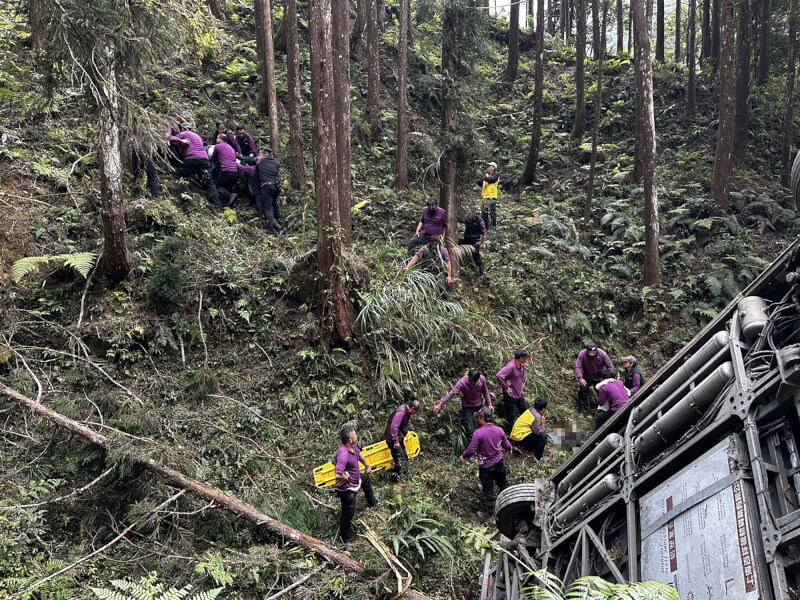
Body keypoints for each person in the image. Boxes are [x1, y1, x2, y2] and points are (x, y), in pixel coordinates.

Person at [460, 407, 513, 520]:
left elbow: (472, 449)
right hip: (499, 463)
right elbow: (506, 443)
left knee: (488, 490)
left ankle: (489, 515)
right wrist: (510, 449)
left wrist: (464, 456)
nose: (478, 419)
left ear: (482, 418)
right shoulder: (499, 430)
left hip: (486, 467)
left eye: (478, 417)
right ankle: (509, 505)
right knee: (503, 484)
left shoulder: (478, 433)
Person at [334, 425, 379, 553]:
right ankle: (346, 540)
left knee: (365, 479)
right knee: (348, 514)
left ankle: (372, 501)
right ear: (350, 439)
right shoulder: (343, 453)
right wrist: (346, 478)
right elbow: (338, 474)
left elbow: (359, 456)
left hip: (356, 481)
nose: (357, 436)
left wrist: (366, 465)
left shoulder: (353, 448)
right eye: (355, 435)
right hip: (347, 490)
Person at [169, 123, 221, 208]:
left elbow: (170, 139)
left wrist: (180, 140)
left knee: (180, 176)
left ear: (182, 129)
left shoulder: (183, 133)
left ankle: (187, 200)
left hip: (192, 159)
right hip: (204, 160)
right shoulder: (197, 136)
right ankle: (217, 205)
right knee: (208, 182)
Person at [434, 369, 493, 440]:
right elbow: (451, 394)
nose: (472, 383)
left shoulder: (482, 379)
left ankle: (486, 442)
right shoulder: (462, 382)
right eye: (471, 381)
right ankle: (472, 446)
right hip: (468, 407)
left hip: (478, 407)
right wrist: (440, 404)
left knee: (486, 423)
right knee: (469, 430)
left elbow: (485, 392)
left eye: (474, 382)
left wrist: (489, 404)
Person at [239, 148, 285, 235]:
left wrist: (239, 157)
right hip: (277, 186)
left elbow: (250, 160)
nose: (258, 155)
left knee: (267, 209)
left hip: (267, 186)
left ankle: (273, 230)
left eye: (259, 153)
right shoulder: (276, 163)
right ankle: (280, 219)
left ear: (263, 154)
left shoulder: (261, 160)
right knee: (274, 201)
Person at [384, 399, 422, 481]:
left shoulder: (406, 411)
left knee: (404, 456)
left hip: (398, 438)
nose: (415, 414)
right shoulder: (401, 412)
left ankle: (405, 476)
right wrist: (396, 441)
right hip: (393, 440)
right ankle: (397, 480)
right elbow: (394, 427)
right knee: (398, 459)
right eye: (415, 412)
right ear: (411, 408)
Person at [575, 342, 614, 419]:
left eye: (593, 353)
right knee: (583, 392)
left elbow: (610, 367)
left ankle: (606, 411)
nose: (591, 355)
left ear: (596, 350)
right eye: (590, 353)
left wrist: (609, 378)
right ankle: (581, 411)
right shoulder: (582, 354)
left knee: (604, 393)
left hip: (599, 377)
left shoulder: (602, 354)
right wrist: (580, 378)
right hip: (587, 376)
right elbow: (578, 367)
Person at [496, 349, 531, 434]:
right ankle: (510, 436)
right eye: (525, 358)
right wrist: (505, 388)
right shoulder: (511, 366)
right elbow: (499, 376)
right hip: (510, 395)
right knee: (510, 417)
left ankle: (526, 431)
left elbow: (521, 376)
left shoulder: (522, 365)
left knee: (525, 412)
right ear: (520, 358)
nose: (527, 360)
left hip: (518, 393)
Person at [459, 206, 488, 277]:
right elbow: (460, 220)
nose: (477, 215)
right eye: (476, 213)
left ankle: (482, 273)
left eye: (478, 213)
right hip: (466, 239)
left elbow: (484, 232)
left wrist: (483, 242)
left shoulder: (480, 221)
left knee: (476, 257)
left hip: (475, 242)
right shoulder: (468, 219)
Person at [211, 133, 240, 206]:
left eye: (217, 138)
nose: (216, 139)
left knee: (217, 186)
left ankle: (229, 196)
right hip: (235, 172)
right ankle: (227, 205)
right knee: (226, 188)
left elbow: (214, 158)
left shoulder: (218, 146)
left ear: (220, 139)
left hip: (226, 171)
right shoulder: (231, 148)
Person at [481, 161, 499, 229]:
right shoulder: (487, 175)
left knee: (492, 211)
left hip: (492, 196)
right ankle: (486, 227)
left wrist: (484, 177)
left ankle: (494, 226)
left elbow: (490, 180)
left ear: (493, 168)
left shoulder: (496, 175)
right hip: (485, 196)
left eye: (490, 166)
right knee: (484, 212)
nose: (488, 167)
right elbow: (480, 183)